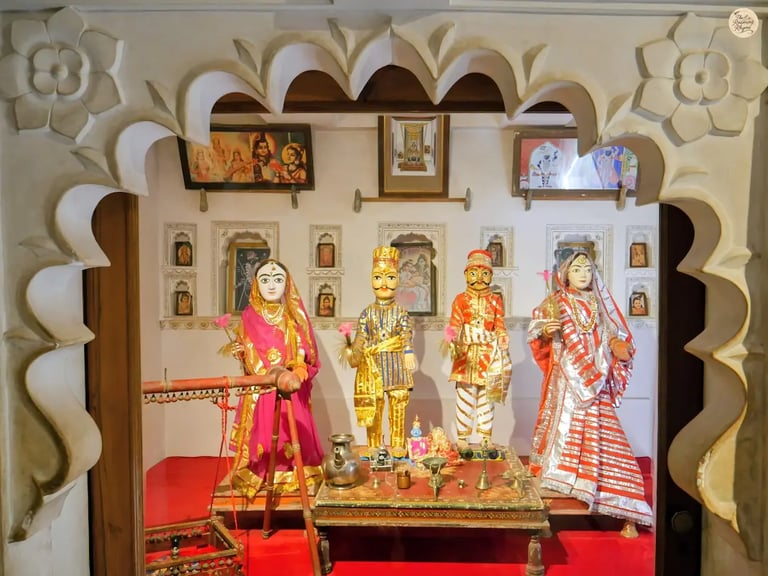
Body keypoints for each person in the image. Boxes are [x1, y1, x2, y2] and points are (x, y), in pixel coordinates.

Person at [527, 251, 653, 536]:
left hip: (594, 377)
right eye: (577, 270)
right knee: (563, 430)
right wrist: (546, 329)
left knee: (607, 433)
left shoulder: (600, 304)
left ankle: (622, 500)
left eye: (588, 269)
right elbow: (535, 329)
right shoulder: (556, 302)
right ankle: (562, 483)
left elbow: (612, 333)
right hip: (567, 381)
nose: (583, 274)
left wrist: (616, 345)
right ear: (566, 275)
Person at [227, 259, 324, 499]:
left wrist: (298, 371)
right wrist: (242, 354)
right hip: (261, 388)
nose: (272, 285)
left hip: (289, 385)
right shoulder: (249, 317)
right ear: (256, 284)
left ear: (287, 284)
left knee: (292, 435)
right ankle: (263, 473)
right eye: (266, 280)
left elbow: (303, 352)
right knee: (265, 436)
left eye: (278, 280)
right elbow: (248, 356)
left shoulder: (293, 316)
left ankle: (294, 474)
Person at [342, 246, 416, 458]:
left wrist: (409, 351)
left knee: (398, 400)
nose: (384, 283)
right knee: (374, 404)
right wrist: (350, 351)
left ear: (398, 280)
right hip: (372, 367)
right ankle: (374, 444)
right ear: (371, 280)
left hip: (396, 364)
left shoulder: (401, 312)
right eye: (378, 277)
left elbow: (406, 334)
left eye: (390, 277)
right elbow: (361, 339)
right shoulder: (367, 313)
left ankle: (398, 444)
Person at [444, 249, 511, 450]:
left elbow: (499, 325)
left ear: (490, 275)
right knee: (464, 396)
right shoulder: (460, 299)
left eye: (484, 273)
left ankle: (485, 437)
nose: (479, 278)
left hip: (489, 356)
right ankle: (462, 438)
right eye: (474, 272)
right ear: (466, 274)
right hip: (466, 356)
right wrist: (450, 337)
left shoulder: (496, 300)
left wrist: (503, 336)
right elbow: (454, 323)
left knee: (487, 398)